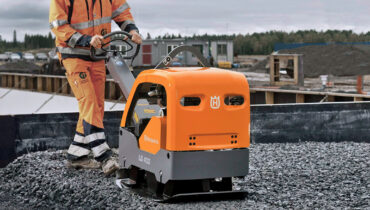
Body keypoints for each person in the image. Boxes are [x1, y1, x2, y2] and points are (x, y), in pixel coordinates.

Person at [49, 0, 142, 175]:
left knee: (97, 105)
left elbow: (122, 13)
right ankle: (103, 155)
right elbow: (59, 26)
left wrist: (132, 31)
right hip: (73, 56)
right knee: (89, 102)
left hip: (97, 56)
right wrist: (86, 40)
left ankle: (77, 154)